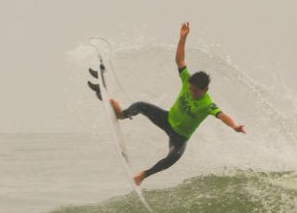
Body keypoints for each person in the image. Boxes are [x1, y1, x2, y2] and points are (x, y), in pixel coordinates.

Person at [87, 22, 245, 186]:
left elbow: (222, 116)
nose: (191, 92)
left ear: (205, 89)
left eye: (196, 91)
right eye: (191, 89)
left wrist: (234, 126)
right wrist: (182, 38)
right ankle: (122, 114)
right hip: (167, 119)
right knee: (141, 105)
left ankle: (142, 175)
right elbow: (180, 60)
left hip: (180, 137)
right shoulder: (187, 81)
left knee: (172, 158)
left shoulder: (207, 104)